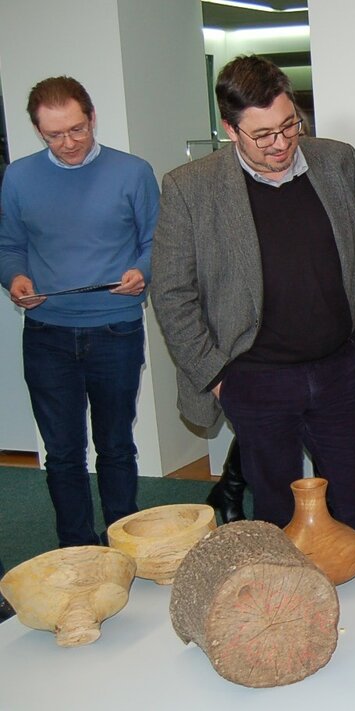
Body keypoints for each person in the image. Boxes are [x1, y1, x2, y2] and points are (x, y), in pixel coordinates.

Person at [151, 55, 355, 549]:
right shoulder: (189, 189)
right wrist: (218, 377)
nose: (280, 144)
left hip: (339, 370)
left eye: (289, 126)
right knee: (278, 516)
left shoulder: (337, 161)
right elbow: (172, 294)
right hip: (254, 379)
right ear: (229, 128)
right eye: (262, 135)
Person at [0, 76, 158, 547]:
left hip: (115, 329)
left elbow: (157, 242)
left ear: (92, 118)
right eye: (54, 135)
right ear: (38, 131)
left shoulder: (133, 172)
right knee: (63, 453)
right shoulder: (20, 177)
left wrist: (141, 271)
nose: (68, 143)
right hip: (47, 332)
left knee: (115, 446)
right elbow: (10, 246)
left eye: (76, 130)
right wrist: (15, 279)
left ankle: (122, 542)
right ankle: (76, 547)